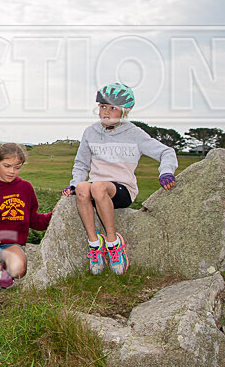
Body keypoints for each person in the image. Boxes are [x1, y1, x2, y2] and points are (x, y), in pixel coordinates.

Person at [61, 83, 177, 276]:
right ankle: (95, 245)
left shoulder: (134, 133)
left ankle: (114, 244)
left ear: (125, 111)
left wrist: (166, 172)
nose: (106, 112)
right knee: (83, 188)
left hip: (122, 189)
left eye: (113, 108)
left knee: (97, 187)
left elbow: (167, 152)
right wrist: (74, 184)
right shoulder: (90, 132)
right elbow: (81, 164)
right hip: (96, 187)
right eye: (103, 106)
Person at [0, 143, 51, 289]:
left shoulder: (26, 188)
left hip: (12, 244)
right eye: (7, 166)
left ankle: (6, 270)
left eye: (17, 167)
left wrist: (53, 216)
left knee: (19, 271)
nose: (12, 171)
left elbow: (34, 220)